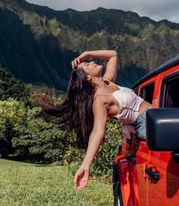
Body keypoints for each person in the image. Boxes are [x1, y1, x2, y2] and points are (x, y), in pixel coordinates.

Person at [40, 50, 151, 192]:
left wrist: (86, 54)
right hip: (146, 124)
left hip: (153, 115)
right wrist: (85, 166)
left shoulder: (107, 81)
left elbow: (113, 55)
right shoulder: (100, 101)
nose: (92, 61)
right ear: (87, 78)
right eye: (88, 64)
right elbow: (97, 132)